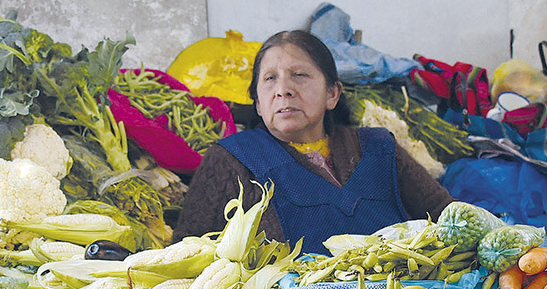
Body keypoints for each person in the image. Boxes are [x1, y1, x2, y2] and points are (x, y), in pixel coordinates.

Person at [174, 30, 454, 254]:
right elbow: (184, 254)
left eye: (300, 75)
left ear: (332, 93)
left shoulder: (378, 148)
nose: (283, 90)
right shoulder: (230, 160)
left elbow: (449, 216)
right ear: (258, 103)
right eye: (270, 79)